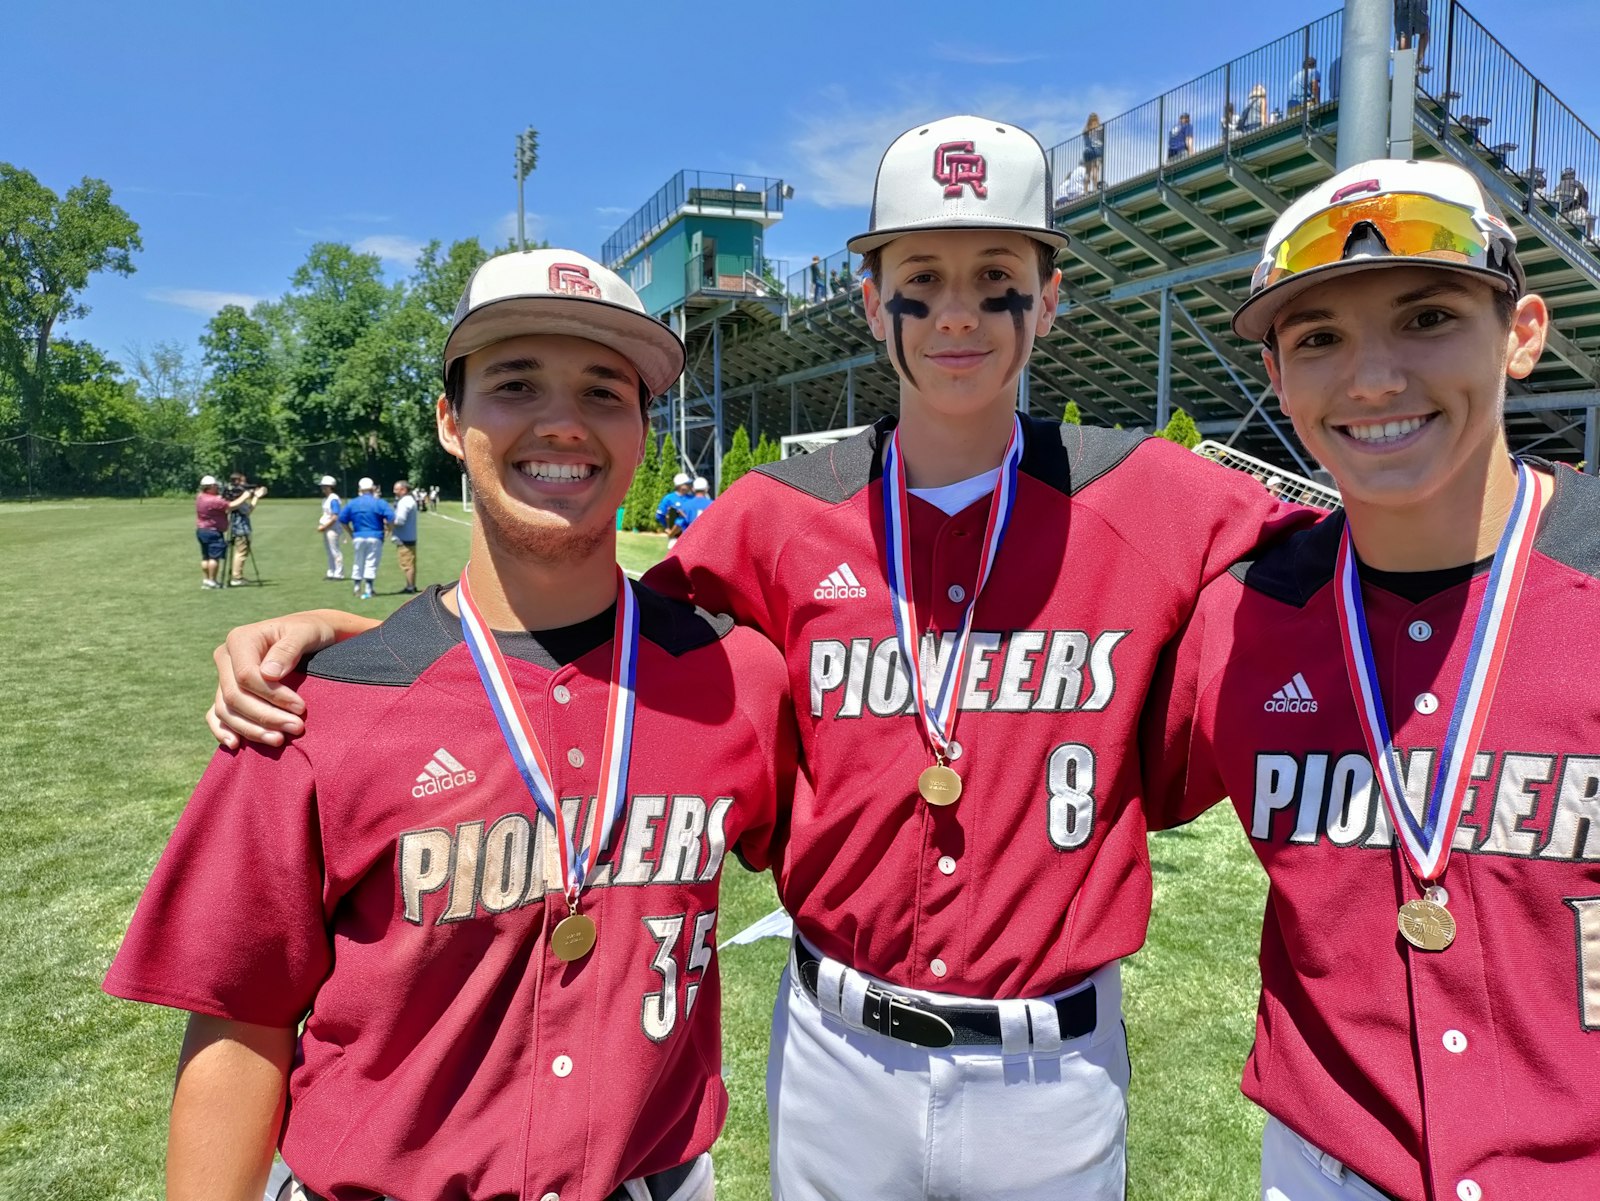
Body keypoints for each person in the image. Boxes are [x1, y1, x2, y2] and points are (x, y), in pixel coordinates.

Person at [204, 115, 1305, 1200]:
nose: (957, 310)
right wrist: (388, 641)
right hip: (840, 1041)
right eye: (921, 275)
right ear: (872, 301)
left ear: (1050, 297)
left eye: (997, 275)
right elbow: (595, 641)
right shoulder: (773, 512)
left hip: (1053, 1059)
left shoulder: (1165, 495)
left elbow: (1357, 573)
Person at [105, 247, 794, 1201]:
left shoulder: (734, 680)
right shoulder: (317, 705)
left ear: (644, 429)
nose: (562, 422)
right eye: (515, 384)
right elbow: (240, 1022)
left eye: (604, 391)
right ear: (449, 419)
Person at [1145, 158, 1600, 1201]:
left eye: (1427, 317)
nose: (1373, 378)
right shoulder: (1244, 612)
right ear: (1275, 378)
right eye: (1317, 339)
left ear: (1521, 332)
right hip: (1322, 1169)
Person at [340, 477, 393, 601]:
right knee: (371, 562)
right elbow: (390, 517)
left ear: (360, 489)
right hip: (375, 536)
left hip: (358, 536)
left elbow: (342, 519)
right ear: (373, 488)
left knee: (358, 561)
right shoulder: (379, 502)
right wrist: (389, 531)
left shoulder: (352, 503)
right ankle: (369, 588)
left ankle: (357, 587)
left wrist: (351, 533)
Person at [225, 472, 267, 587]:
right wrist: (256, 497)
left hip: (235, 526)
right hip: (241, 528)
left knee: (239, 551)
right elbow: (247, 511)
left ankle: (236, 575)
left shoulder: (232, 494)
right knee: (241, 552)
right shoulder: (239, 498)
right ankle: (237, 577)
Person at [194, 475, 231, 589]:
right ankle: (212, 580)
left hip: (202, 530)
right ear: (210, 487)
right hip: (213, 530)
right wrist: (245, 496)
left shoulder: (200, 497)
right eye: (215, 486)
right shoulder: (213, 500)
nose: (217, 488)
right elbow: (230, 505)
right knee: (214, 557)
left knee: (205, 557)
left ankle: (206, 580)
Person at [391, 479, 419, 594]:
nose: (394, 491)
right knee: (410, 563)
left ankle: (410, 587)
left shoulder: (404, 502)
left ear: (404, 489)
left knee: (407, 564)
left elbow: (399, 521)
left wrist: (387, 520)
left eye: (396, 489)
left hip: (404, 538)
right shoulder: (408, 500)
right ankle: (411, 585)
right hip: (409, 536)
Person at [315, 475, 344, 580]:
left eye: (324, 486)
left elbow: (335, 516)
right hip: (327, 527)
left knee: (335, 551)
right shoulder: (326, 499)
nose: (322, 488)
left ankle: (339, 573)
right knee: (329, 551)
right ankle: (331, 572)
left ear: (330, 486)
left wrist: (324, 527)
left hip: (333, 528)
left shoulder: (333, 499)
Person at [655, 470, 693, 549]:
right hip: (675, 536)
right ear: (680, 485)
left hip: (691, 536)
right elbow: (659, 515)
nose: (690, 485)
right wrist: (667, 528)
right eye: (687, 484)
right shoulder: (669, 498)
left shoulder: (692, 498)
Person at [1555, 167, 1594, 238]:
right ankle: (1589, 237)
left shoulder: (1558, 187)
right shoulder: (1577, 184)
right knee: (1589, 218)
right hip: (1573, 213)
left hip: (1560, 213)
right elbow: (1584, 199)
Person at [1395, 0, 1431, 72]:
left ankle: (1404, 64)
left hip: (1403, 4)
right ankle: (1417, 63)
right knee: (1424, 33)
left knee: (1404, 35)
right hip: (1419, 3)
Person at [1081, 112, 1104, 189]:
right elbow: (1102, 139)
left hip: (1087, 150)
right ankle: (1094, 188)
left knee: (1087, 171)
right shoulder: (1100, 128)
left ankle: (1085, 190)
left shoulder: (1085, 130)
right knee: (1095, 169)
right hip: (1097, 149)